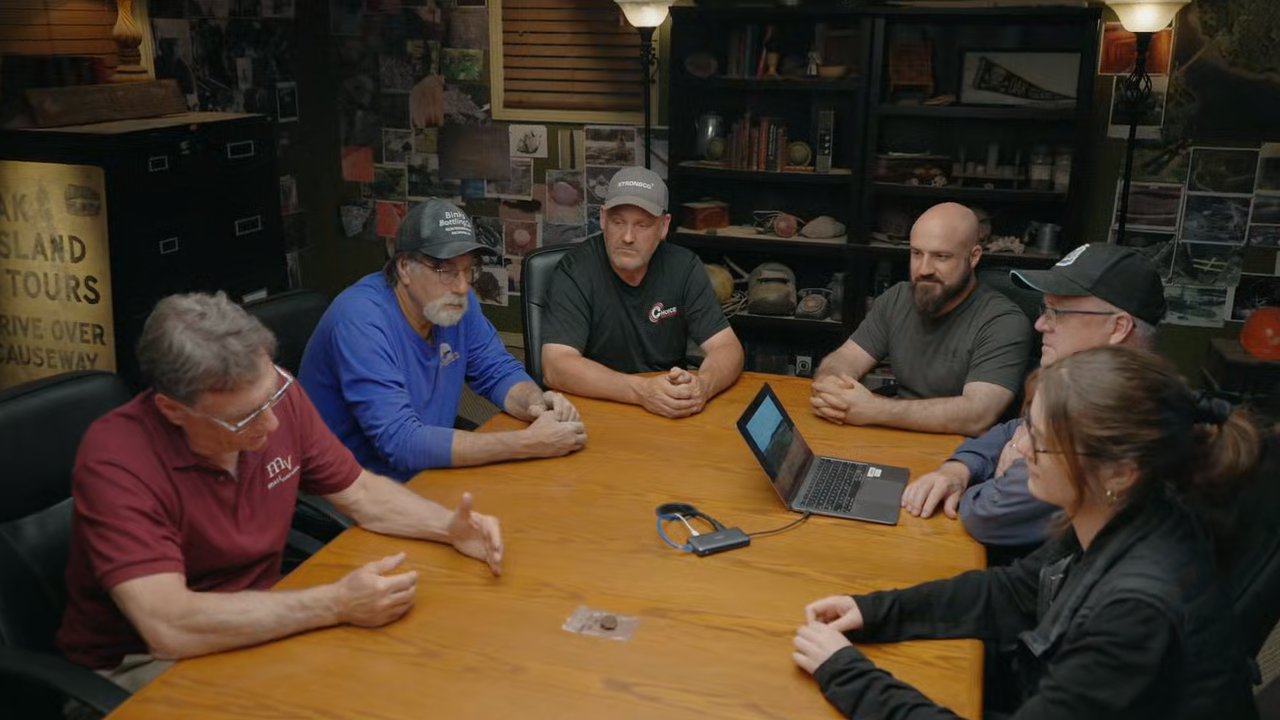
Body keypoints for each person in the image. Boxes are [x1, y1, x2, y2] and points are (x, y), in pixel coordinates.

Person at [56, 292, 504, 692]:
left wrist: (446, 527)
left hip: (268, 612)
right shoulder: (117, 461)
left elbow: (362, 491)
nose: (271, 424)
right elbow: (170, 627)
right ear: (173, 409)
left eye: (272, 396)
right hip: (149, 664)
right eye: (245, 417)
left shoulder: (274, 395)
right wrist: (335, 603)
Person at [793, 346, 1261, 720]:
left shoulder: (1136, 613)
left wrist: (846, 673)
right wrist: (873, 611)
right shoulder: (1123, 511)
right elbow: (1017, 592)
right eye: (1026, 428)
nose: (1018, 448)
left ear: (1119, 471)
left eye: (1040, 440)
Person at [901, 243, 1166, 552]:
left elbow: (990, 513)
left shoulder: (1111, 418)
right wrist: (959, 470)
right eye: (1044, 310)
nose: (1040, 324)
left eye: (1057, 312)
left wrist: (991, 477)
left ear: (1118, 327)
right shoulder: (1094, 388)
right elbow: (1012, 430)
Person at [300, 199, 586, 481]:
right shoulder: (360, 320)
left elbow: (497, 370)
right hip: (357, 486)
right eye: (446, 271)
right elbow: (400, 443)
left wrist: (536, 404)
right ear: (404, 267)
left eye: (469, 270)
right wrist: (526, 443)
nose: (462, 286)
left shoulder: (456, 304)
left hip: (427, 469)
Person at [810, 203, 1033, 437]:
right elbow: (846, 358)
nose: (924, 269)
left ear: (973, 256)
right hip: (894, 436)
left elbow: (978, 415)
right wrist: (832, 385)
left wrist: (873, 409)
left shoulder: (1003, 321)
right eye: (917, 253)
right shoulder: (897, 299)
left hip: (957, 450)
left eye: (941, 256)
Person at [540, 167, 744, 419]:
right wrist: (641, 391)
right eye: (618, 222)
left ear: (663, 226)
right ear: (602, 218)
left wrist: (703, 386)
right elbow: (556, 366)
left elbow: (727, 347)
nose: (627, 237)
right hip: (597, 407)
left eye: (642, 225)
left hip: (668, 408)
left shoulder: (683, 267)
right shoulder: (575, 271)